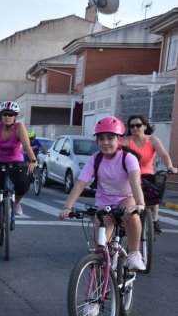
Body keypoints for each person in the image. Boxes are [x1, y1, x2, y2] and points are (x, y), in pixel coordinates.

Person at [59, 116, 146, 271]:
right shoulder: (95, 159)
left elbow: (135, 183)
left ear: (119, 140)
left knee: (130, 214)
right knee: (100, 250)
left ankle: (135, 253)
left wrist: (140, 204)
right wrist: (67, 207)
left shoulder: (128, 158)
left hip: (125, 199)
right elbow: (80, 184)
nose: (105, 142)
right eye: (101, 139)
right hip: (104, 204)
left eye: (110, 138)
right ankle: (98, 290)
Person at [0, 101, 37, 241]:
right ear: (1, 115)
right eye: (5, 114)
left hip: (15, 161)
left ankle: (16, 203)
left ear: (15, 116)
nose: (7, 117)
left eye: (10, 114)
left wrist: (33, 160)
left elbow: (26, 146)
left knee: (22, 182)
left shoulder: (19, 127)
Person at [123, 115, 177, 233]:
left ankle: (154, 220)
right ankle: (125, 219)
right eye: (132, 126)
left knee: (155, 193)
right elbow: (117, 151)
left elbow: (163, 155)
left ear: (145, 126)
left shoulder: (152, 140)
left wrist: (170, 166)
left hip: (148, 175)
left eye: (138, 125)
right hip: (131, 175)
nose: (135, 128)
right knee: (127, 197)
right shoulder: (127, 141)